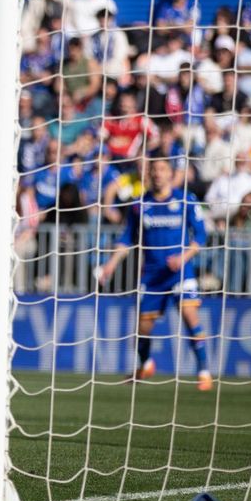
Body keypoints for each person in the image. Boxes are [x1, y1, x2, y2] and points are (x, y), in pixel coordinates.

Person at [95, 157, 215, 390]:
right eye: (154, 170)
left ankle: (204, 372)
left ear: (171, 173)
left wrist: (183, 258)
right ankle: (146, 364)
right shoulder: (140, 204)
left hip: (181, 272)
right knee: (143, 329)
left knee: (191, 317)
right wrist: (110, 264)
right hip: (152, 275)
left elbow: (200, 236)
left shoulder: (186, 200)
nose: (158, 173)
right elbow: (127, 238)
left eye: (162, 169)